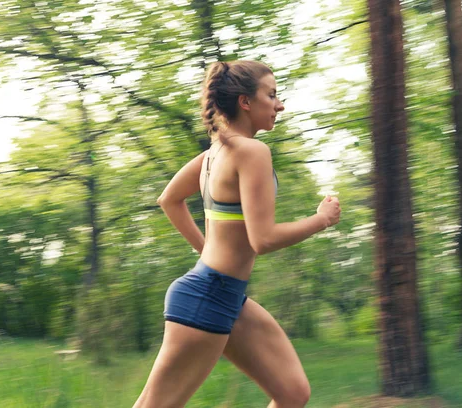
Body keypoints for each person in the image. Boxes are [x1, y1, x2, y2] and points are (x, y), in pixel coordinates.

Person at [133, 60, 341, 408]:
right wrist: (321, 219)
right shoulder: (250, 151)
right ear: (245, 102)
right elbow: (263, 239)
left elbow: (169, 200)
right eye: (271, 95)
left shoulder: (216, 153)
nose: (280, 105)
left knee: (292, 392)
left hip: (225, 294)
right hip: (207, 297)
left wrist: (207, 253)